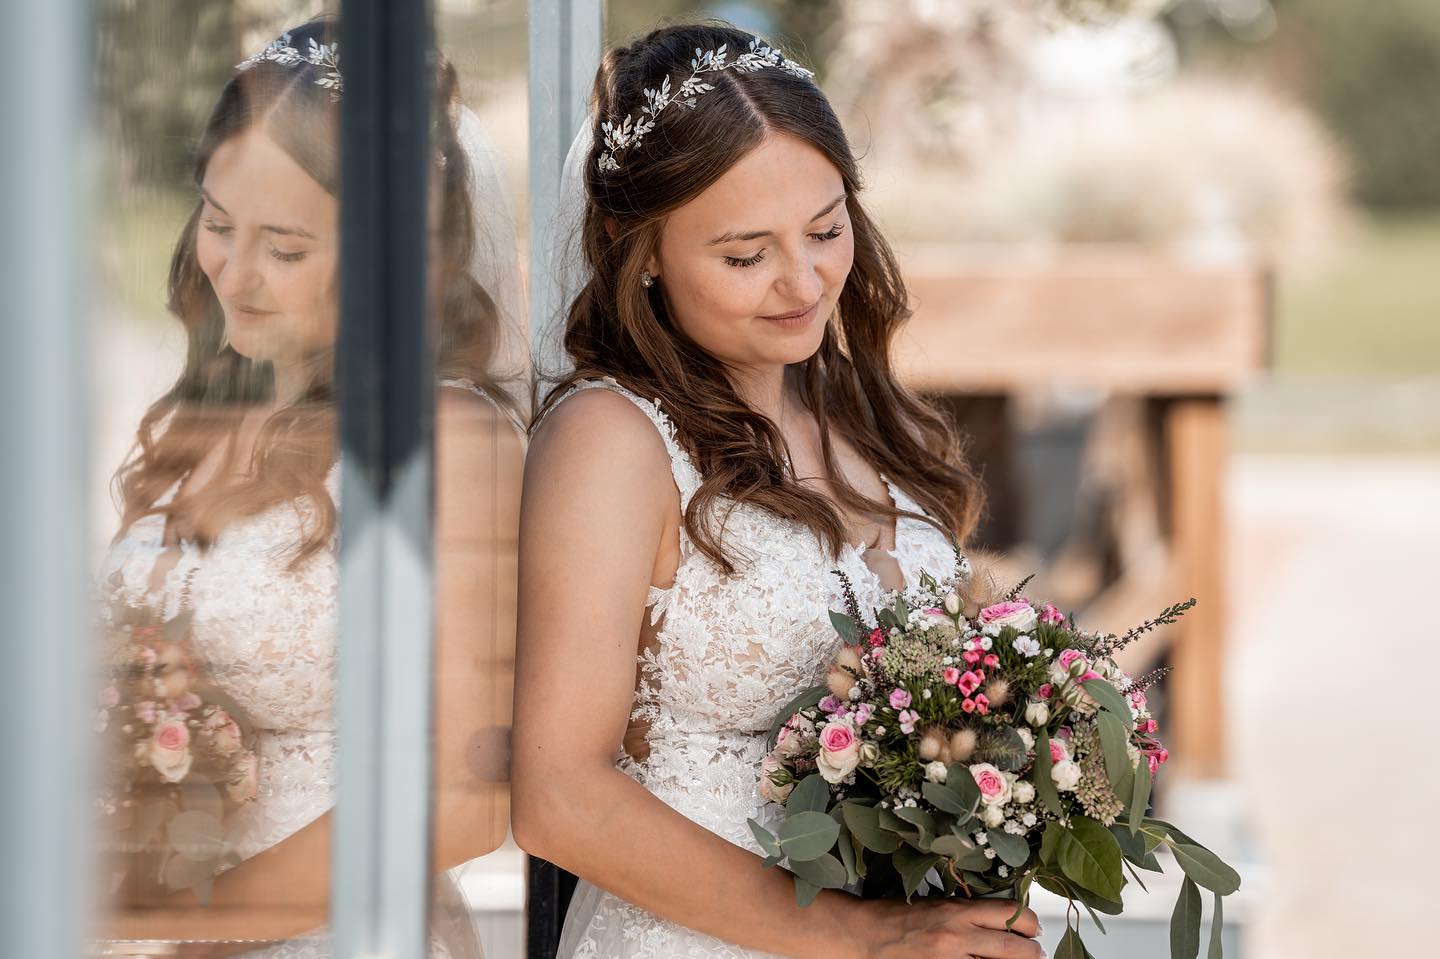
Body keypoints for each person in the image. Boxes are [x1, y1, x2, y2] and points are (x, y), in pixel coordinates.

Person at [512, 20, 1046, 959]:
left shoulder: (868, 417)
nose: (803, 283)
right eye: (744, 255)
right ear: (640, 255)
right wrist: (864, 936)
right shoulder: (611, 441)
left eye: (827, 229)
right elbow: (559, 797)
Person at [97, 15, 523, 957]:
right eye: (217, 223)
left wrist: (178, 932)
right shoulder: (204, 416)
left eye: (285, 249)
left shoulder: (445, 438)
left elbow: (464, 800)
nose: (234, 275)